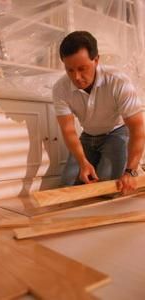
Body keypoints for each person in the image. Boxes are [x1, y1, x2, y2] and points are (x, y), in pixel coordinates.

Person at [53, 31, 145, 195]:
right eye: (70, 70)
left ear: (96, 60)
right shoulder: (60, 88)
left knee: (108, 189)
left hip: (116, 133)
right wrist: (83, 163)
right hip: (87, 136)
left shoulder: (118, 81)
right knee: (66, 186)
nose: (77, 77)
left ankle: (137, 168)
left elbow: (137, 129)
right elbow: (68, 131)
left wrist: (130, 171)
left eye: (82, 69)